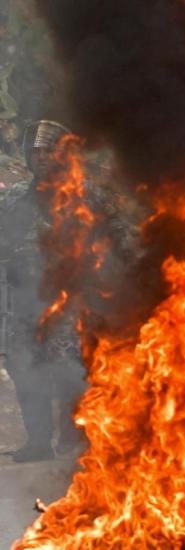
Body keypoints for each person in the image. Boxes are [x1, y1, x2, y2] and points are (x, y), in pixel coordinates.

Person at [5, 120, 86, 462]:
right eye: (35, 151)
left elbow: (115, 241)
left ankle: (75, 445)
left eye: (47, 150)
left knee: (70, 375)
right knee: (25, 370)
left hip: (66, 304)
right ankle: (38, 442)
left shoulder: (83, 196)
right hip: (23, 304)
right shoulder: (12, 199)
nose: (40, 157)